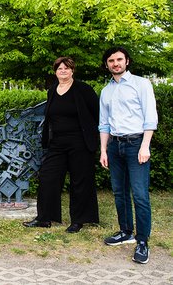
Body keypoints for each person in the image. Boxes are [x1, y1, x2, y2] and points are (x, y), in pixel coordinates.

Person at [23, 57, 99, 233]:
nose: (63, 71)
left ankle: (78, 221)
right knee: (47, 177)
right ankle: (44, 218)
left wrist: (94, 139)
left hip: (80, 144)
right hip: (57, 143)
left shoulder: (83, 89)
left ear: (72, 70)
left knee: (79, 181)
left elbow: (97, 115)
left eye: (67, 68)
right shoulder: (52, 90)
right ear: (55, 71)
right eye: (59, 68)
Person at [99, 47, 157, 264]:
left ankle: (142, 241)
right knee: (119, 192)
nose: (116, 63)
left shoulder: (141, 84)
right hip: (115, 146)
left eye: (119, 59)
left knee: (140, 195)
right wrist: (104, 150)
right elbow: (104, 123)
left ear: (127, 61)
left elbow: (150, 117)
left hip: (136, 145)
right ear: (107, 64)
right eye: (111, 60)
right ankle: (125, 232)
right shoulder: (106, 91)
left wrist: (145, 146)